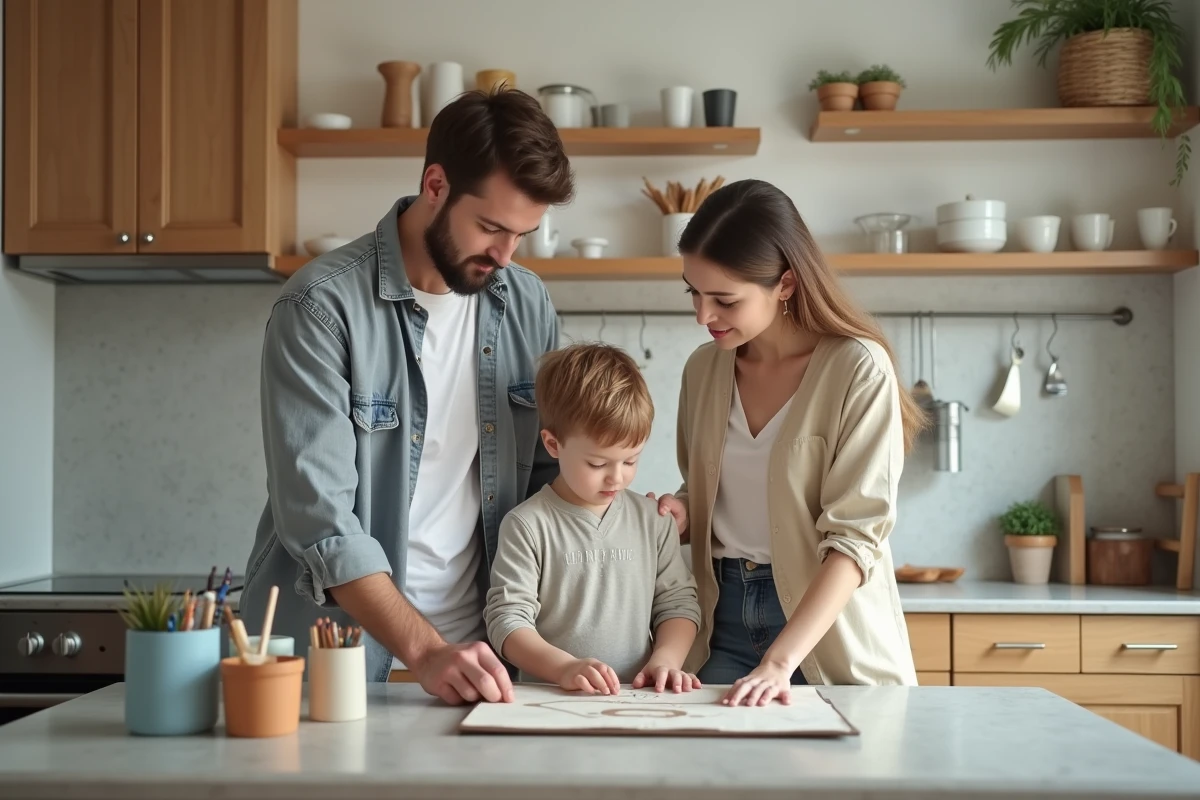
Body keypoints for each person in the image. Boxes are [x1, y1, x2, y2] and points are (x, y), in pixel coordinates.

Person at [238, 87, 576, 706]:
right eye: (491, 227)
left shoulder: (528, 303)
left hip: (487, 665)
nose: (505, 256)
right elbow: (320, 522)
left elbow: (553, 481)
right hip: (341, 658)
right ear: (436, 185)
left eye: (522, 235)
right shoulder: (320, 307)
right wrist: (423, 650)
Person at [651, 179, 924, 708]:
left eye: (724, 299)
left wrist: (779, 662)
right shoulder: (704, 369)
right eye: (693, 291)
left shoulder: (857, 367)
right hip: (719, 626)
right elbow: (709, 486)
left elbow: (855, 538)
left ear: (786, 284)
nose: (702, 316)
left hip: (826, 636)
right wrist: (682, 512)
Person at [484, 342, 702, 695]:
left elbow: (678, 604)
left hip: (639, 702)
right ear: (553, 445)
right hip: (550, 706)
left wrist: (666, 660)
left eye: (630, 460)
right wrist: (564, 668)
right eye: (598, 464)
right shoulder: (527, 526)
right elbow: (507, 621)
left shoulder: (654, 520)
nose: (617, 478)